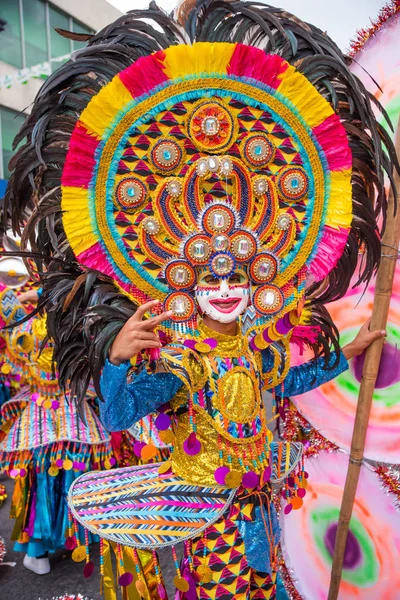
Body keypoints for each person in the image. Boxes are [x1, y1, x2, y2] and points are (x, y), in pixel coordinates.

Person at [4, 1, 395, 597]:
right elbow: (114, 417)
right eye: (211, 281)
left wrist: (354, 348)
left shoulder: (258, 348)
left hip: (260, 508)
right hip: (206, 521)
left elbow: (288, 381)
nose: (225, 289)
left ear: (259, 276)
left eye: (236, 277)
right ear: (187, 285)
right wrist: (114, 359)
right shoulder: (180, 365)